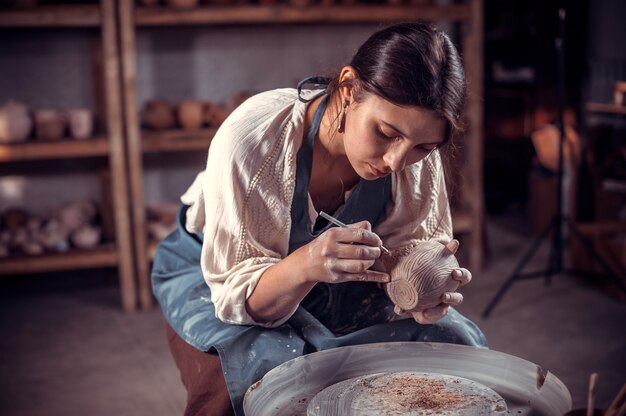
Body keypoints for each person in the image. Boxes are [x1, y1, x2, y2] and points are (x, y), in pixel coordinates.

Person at [152, 22, 487, 416]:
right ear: (347, 89)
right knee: (269, 374)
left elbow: (407, 248)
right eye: (385, 132)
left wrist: (418, 289)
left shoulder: (413, 156)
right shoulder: (254, 138)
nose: (398, 160)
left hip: (342, 278)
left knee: (452, 342)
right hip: (223, 273)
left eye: (423, 147)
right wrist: (308, 263)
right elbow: (238, 296)